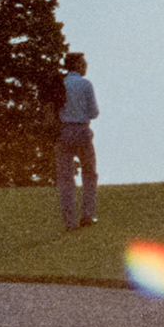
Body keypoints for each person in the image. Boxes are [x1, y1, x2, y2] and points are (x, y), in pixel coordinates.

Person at [55, 50, 99, 232]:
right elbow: (94, 112)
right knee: (89, 173)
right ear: (79, 65)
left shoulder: (60, 84)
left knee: (66, 178)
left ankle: (69, 222)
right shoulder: (85, 84)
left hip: (63, 131)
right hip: (82, 130)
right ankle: (87, 214)